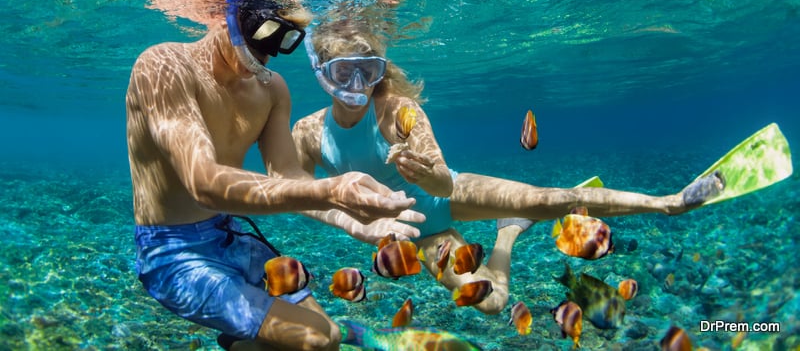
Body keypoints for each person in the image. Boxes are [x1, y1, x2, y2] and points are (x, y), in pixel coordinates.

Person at [288, 18, 723, 315]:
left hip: (451, 193)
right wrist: (345, 218)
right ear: (322, 73)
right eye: (345, 72)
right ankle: (509, 231)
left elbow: (441, 177)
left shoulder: (399, 111)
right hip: (420, 234)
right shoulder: (308, 132)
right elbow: (293, 192)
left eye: (369, 71)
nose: (358, 84)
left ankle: (669, 202)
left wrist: (423, 172)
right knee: (493, 303)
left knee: (554, 199)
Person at [126, 0, 423, 351]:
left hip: (229, 235)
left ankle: (238, 340)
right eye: (263, 35)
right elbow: (201, 181)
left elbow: (286, 176)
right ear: (226, 16)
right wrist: (332, 192)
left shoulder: (272, 90)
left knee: (324, 338)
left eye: (283, 41)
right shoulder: (163, 65)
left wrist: (349, 218)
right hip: (172, 253)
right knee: (316, 339)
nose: (266, 56)